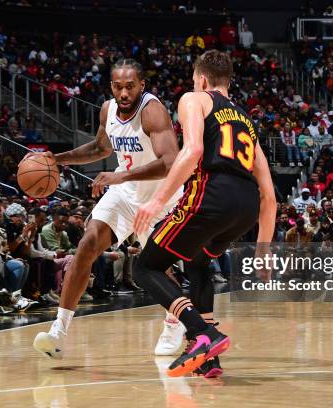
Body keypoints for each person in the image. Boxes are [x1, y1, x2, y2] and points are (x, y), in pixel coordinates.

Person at [132, 50, 276, 377]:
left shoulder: (194, 99)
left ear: (202, 79)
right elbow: (269, 195)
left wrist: (158, 200)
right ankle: (209, 360)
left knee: (144, 267)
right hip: (245, 205)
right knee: (198, 262)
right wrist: (263, 251)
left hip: (213, 194)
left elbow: (193, 150)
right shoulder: (245, 120)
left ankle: (203, 335)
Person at [33, 59, 184, 361]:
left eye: (130, 86)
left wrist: (121, 175)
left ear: (142, 85)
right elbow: (100, 148)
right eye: (118, 86)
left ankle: (175, 321)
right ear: (111, 86)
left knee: (158, 269)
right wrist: (56, 159)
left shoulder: (153, 112)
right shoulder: (108, 109)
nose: (124, 92)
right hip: (125, 194)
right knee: (87, 244)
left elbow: (170, 162)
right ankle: (58, 333)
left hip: (160, 200)